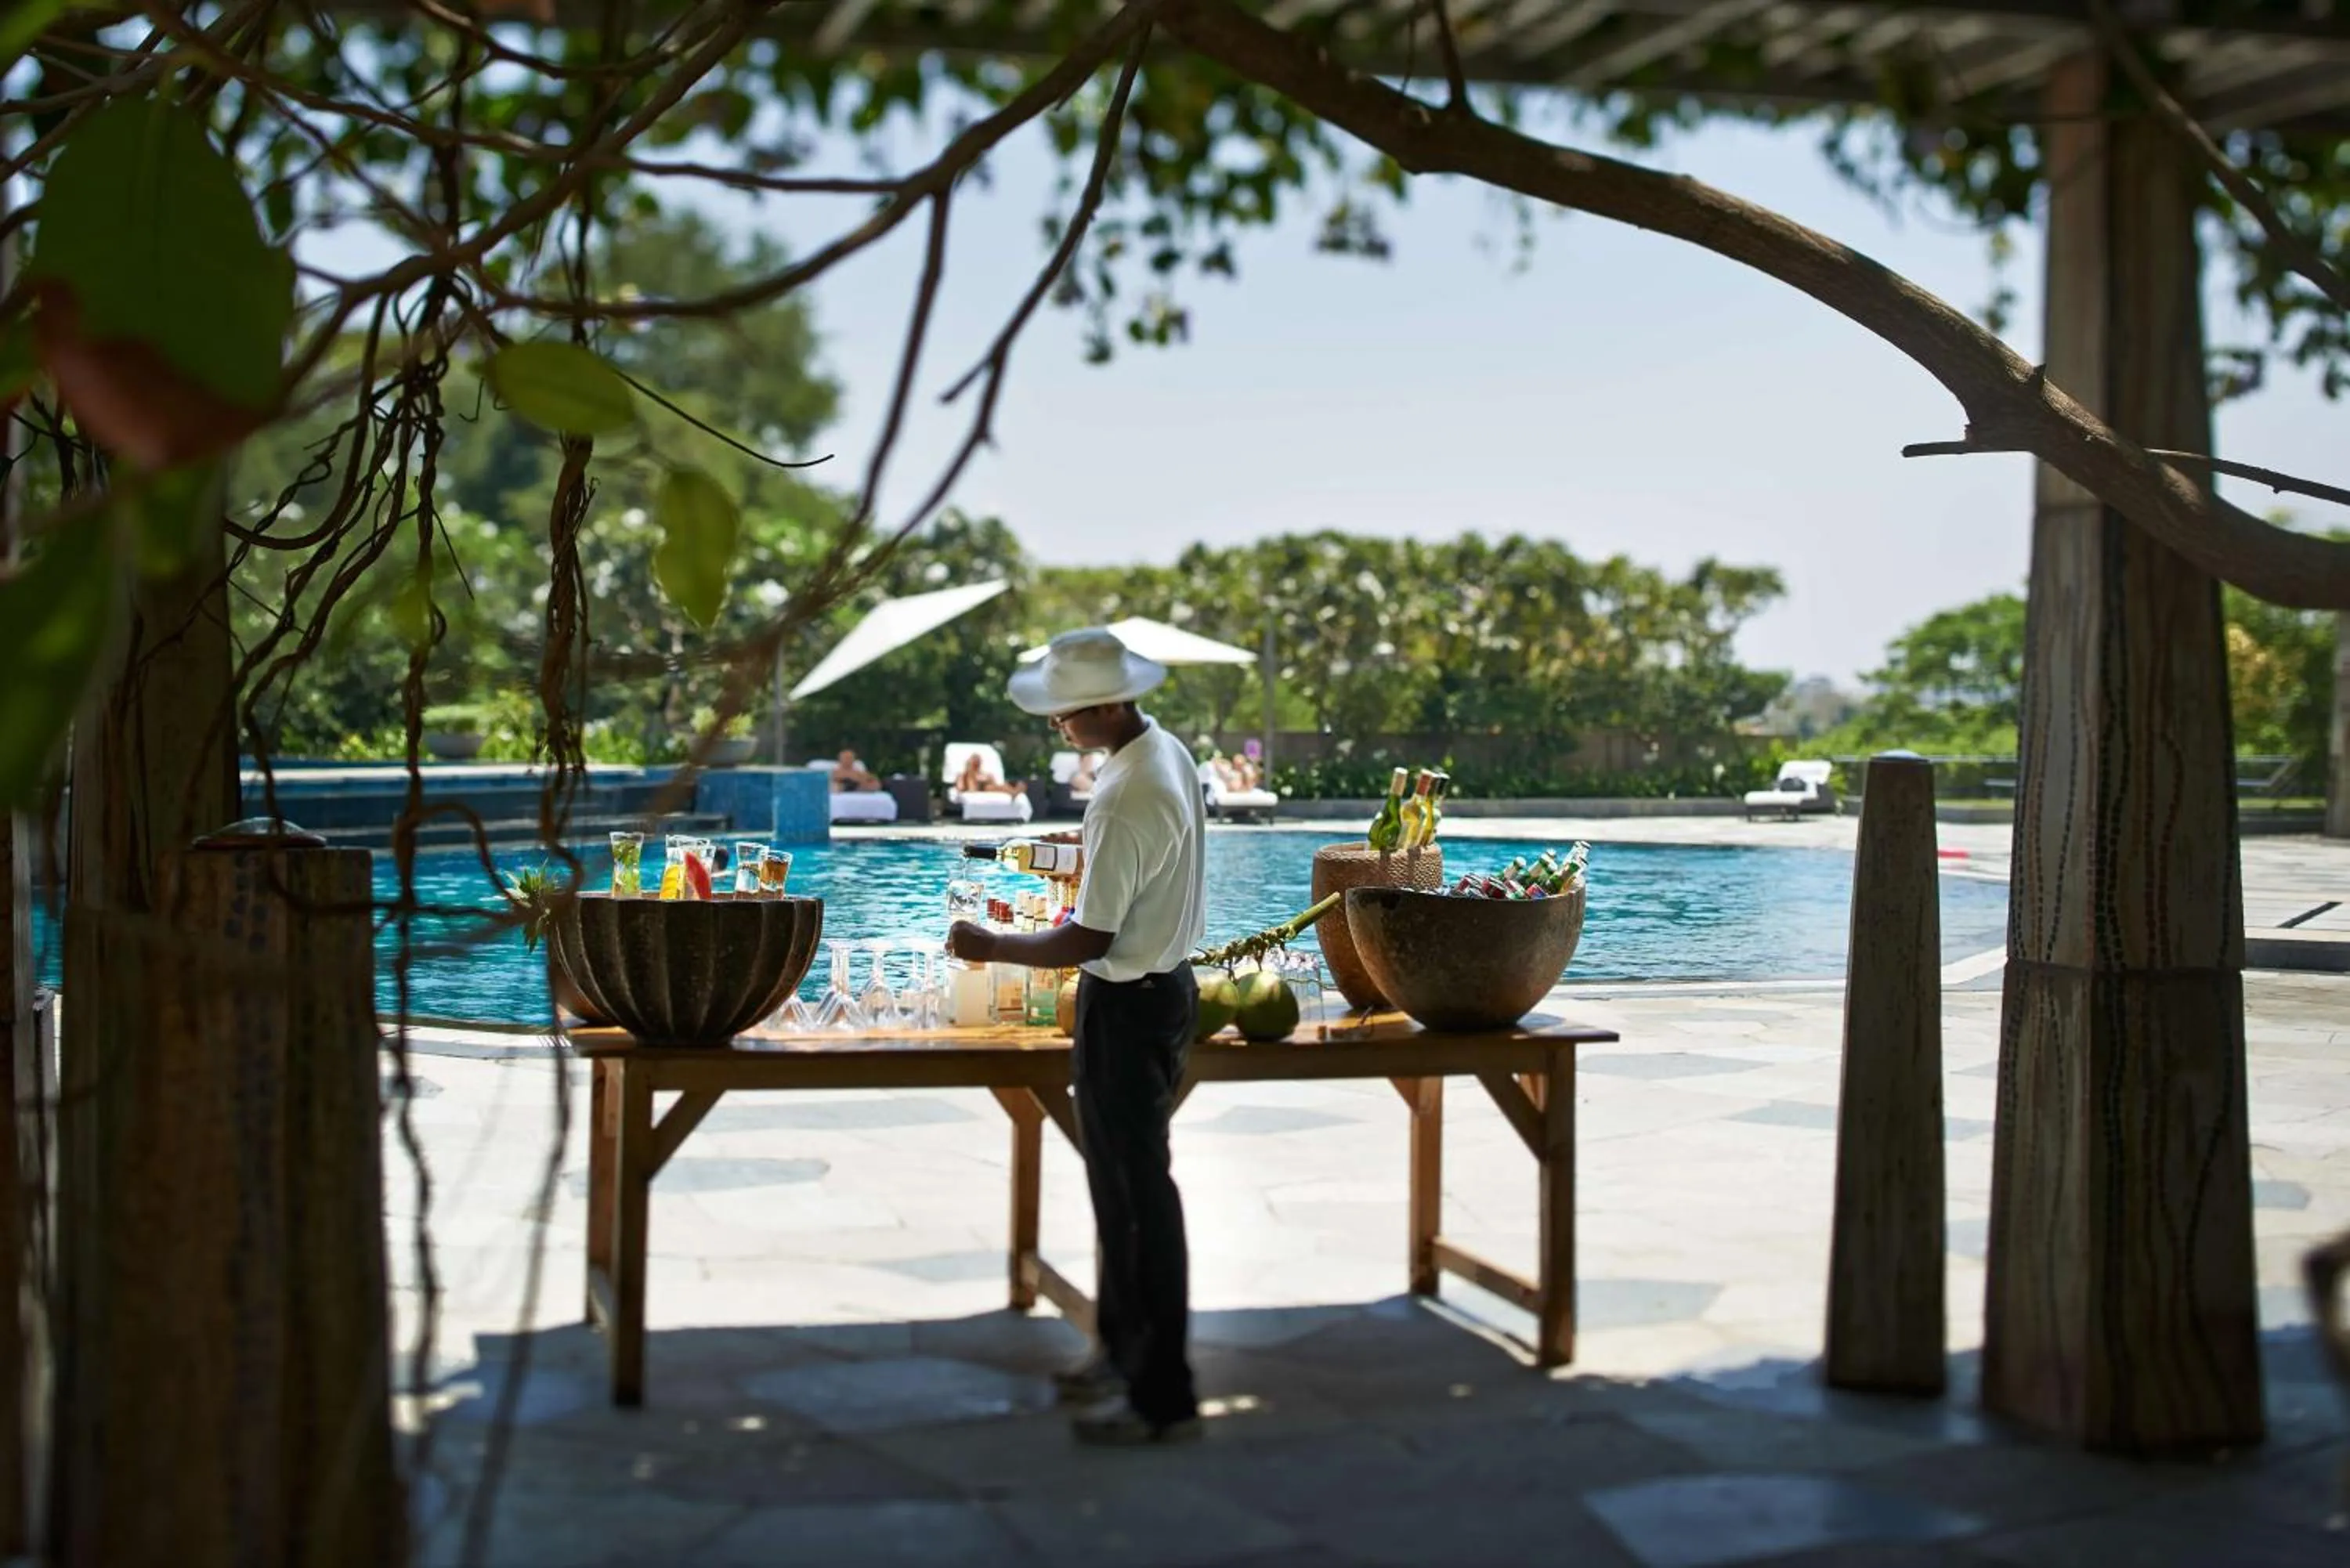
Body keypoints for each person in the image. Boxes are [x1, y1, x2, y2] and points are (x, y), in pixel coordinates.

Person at [946, 628, 1207, 1446]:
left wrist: (991, 947)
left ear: (1103, 705)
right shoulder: (1161, 751)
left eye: (1063, 713)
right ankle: (1120, 1351)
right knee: (1119, 1192)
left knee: (1137, 1204)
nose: (1055, 726)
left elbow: (1088, 939)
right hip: (1161, 990)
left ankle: (1161, 1397)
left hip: (1128, 1004)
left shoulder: (1129, 794)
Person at [953, 751, 1026, 797]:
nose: (977, 765)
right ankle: (1013, 792)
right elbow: (960, 788)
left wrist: (986, 779)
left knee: (994, 785)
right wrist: (970, 775)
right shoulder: (962, 775)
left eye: (978, 763)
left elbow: (994, 784)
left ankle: (1013, 790)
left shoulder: (985, 774)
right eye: (974, 763)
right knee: (989, 787)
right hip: (975, 789)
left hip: (987, 787)